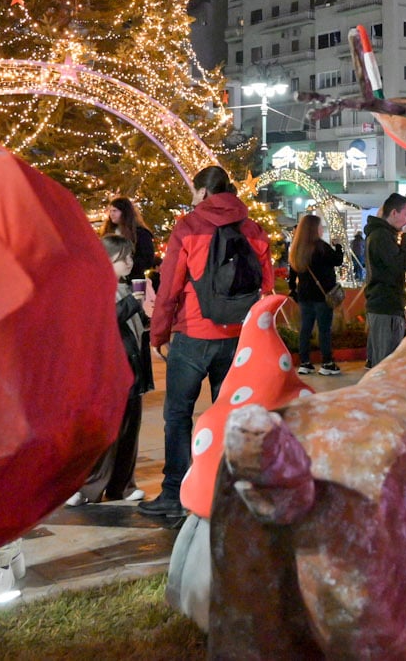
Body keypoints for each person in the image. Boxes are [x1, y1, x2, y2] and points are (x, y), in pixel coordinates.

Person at [140, 166, 274, 518]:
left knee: (178, 414)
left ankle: (175, 493)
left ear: (203, 192)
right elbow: (266, 285)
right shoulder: (253, 228)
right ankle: (227, 491)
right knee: (229, 414)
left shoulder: (188, 226)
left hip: (193, 335)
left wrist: (159, 334)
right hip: (236, 337)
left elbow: (169, 286)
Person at [69, 236, 154, 506]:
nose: (130, 261)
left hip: (132, 367)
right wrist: (133, 302)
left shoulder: (125, 287)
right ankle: (87, 487)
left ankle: (123, 487)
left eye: (130, 256)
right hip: (107, 372)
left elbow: (136, 327)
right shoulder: (92, 288)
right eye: (123, 256)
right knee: (105, 432)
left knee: (129, 430)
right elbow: (103, 319)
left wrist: (147, 312)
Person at [363, 194, 406, 366]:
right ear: (394, 213)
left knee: (388, 360)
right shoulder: (381, 236)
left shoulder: (384, 235)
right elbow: (398, 264)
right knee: (385, 362)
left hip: (388, 305)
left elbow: (398, 263)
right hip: (384, 305)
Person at [289, 212, 344, 376]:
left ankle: (305, 362)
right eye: (320, 226)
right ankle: (327, 362)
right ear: (314, 229)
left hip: (304, 295)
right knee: (324, 329)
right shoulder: (321, 247)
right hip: (322, 295)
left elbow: (292, 274)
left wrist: (293, 291)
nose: (321, 229)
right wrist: (338, 246)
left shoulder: (297, 248)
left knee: (305, 329)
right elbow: (337, 261)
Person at [102, 197, 158, 285]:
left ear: (125, 212)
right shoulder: (109, 232)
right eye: (111, 211)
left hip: (133, 281)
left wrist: (127, 264)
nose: (111, 214)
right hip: (111, 280)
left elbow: (147, 259)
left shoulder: (140, 233)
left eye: (115, 211)